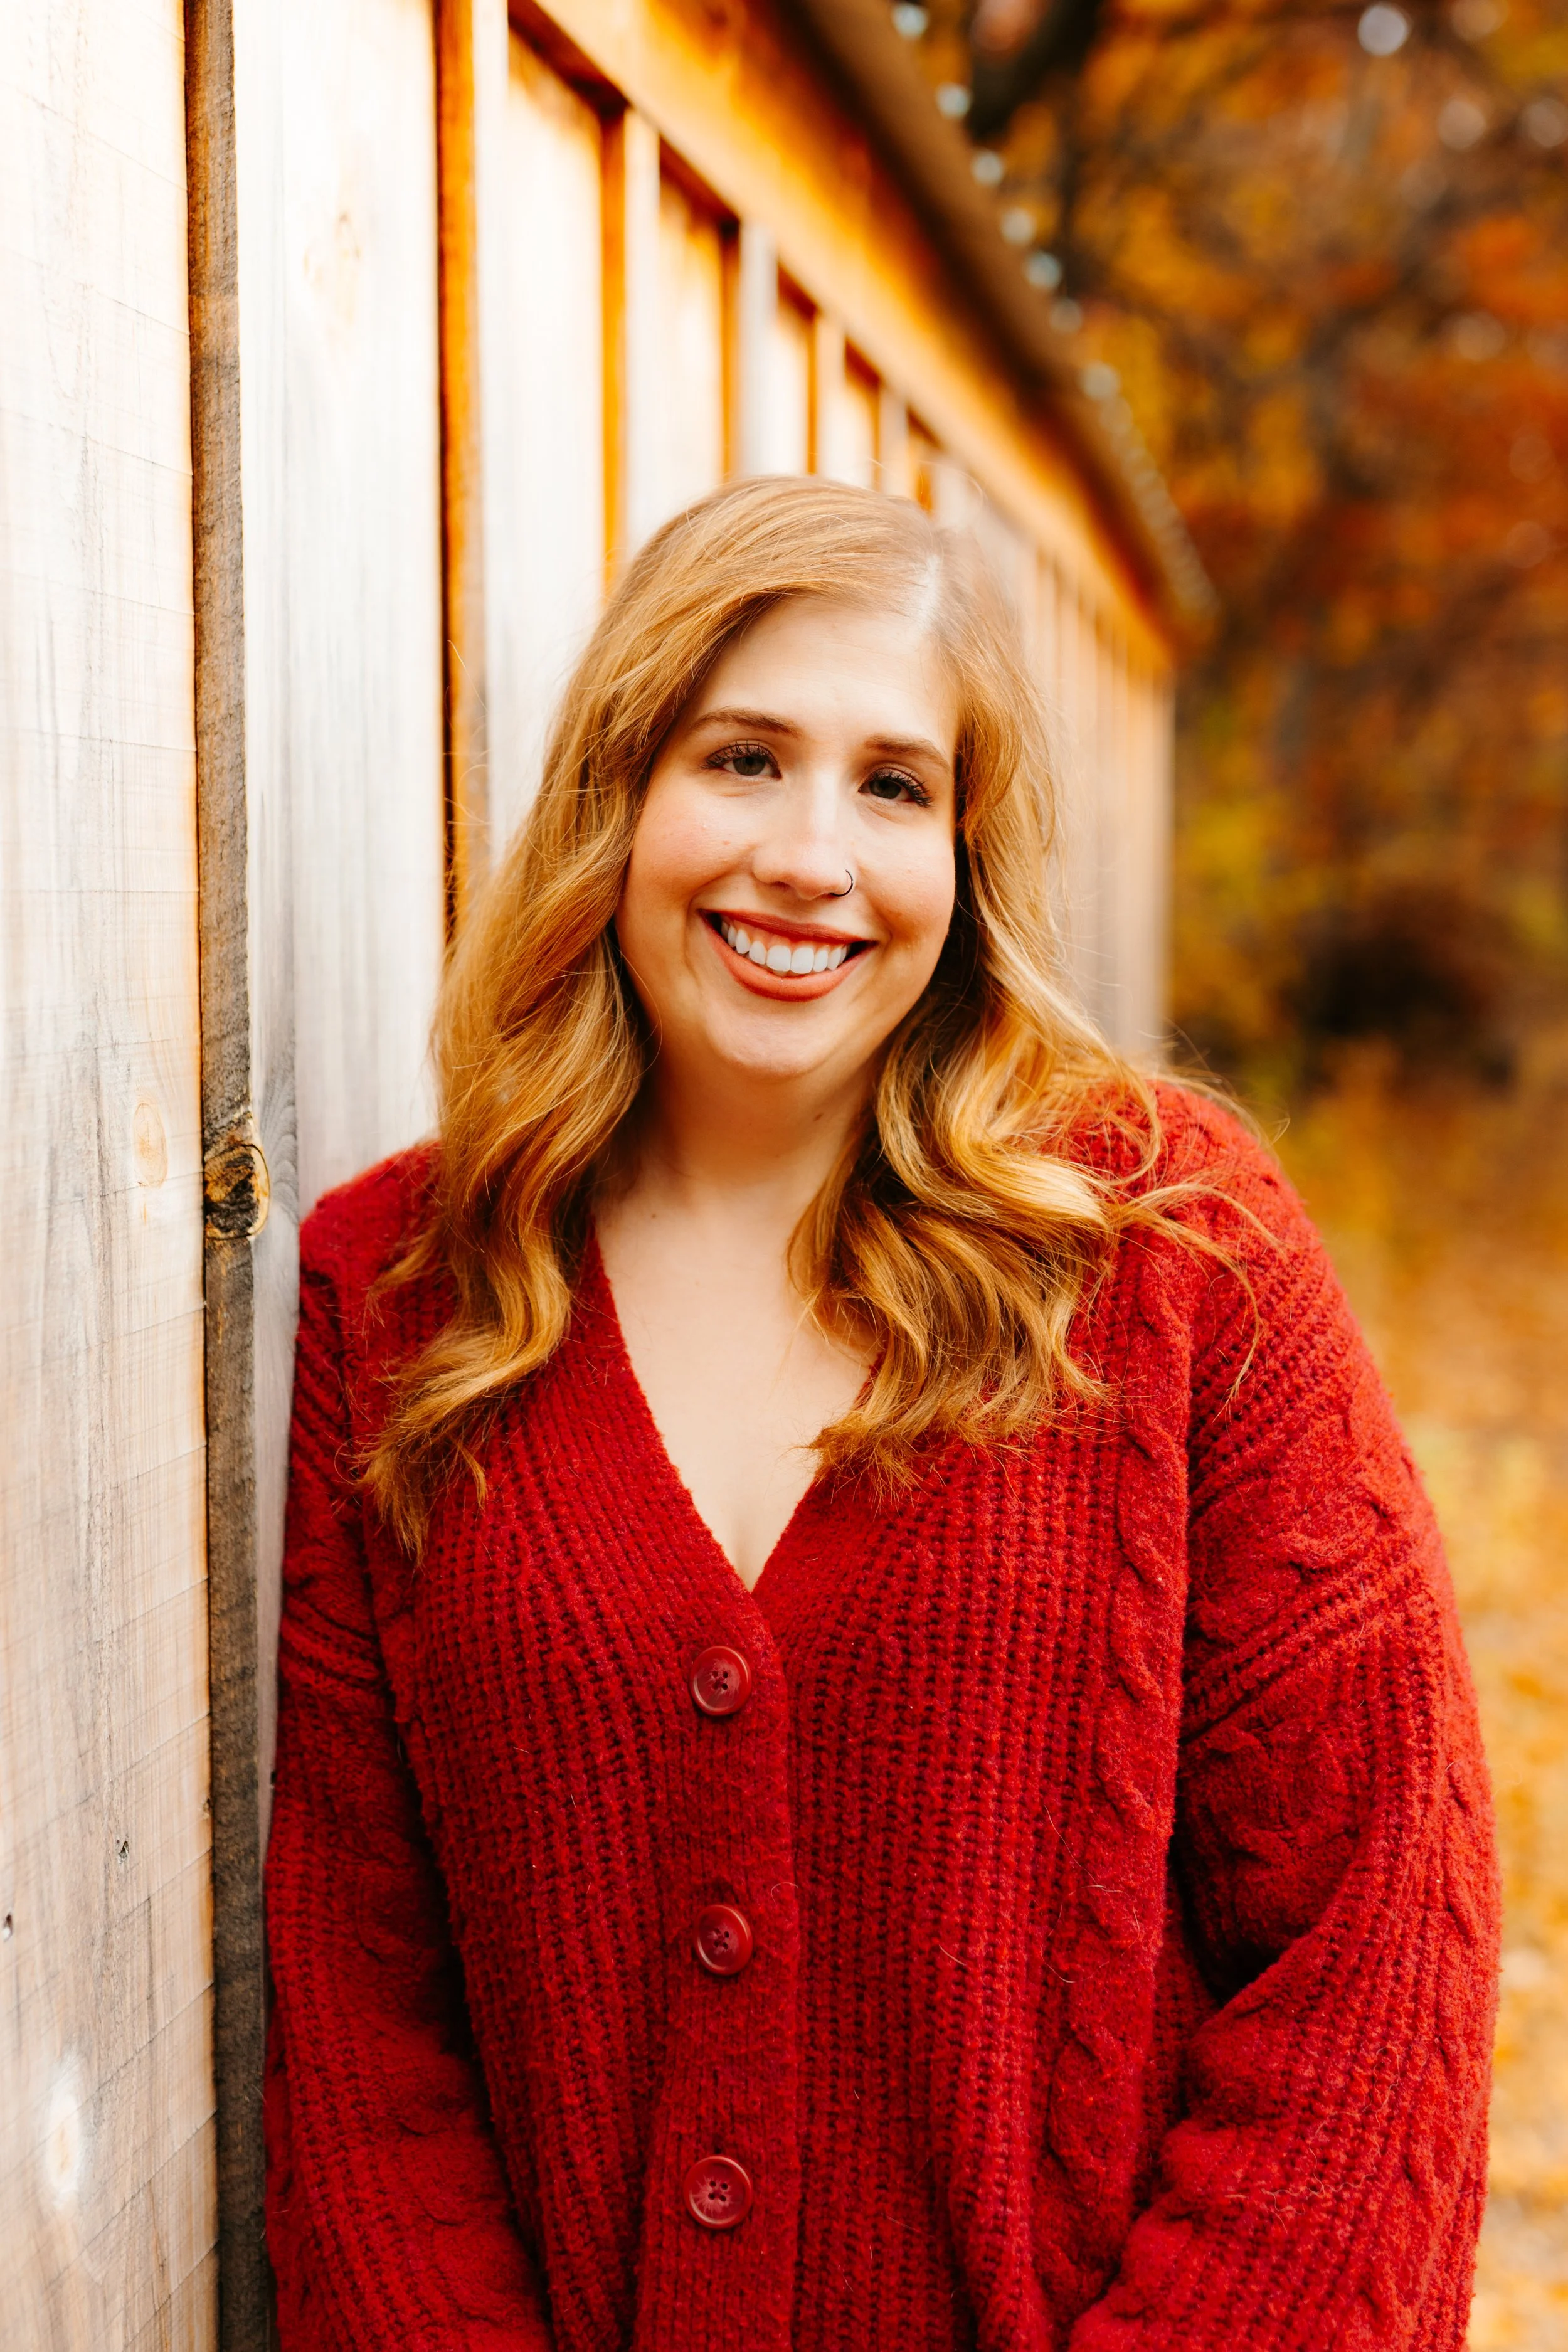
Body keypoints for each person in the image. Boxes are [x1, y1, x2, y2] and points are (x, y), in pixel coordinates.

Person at [263, 477, 1498, 2350]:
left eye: (893, 785)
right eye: (743, 759)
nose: (809, 856)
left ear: (967, 853)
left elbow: (1379, 1928)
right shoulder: (406, 1302)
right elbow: (364, 2028)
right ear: (619, 791)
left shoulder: (1172, 1249)